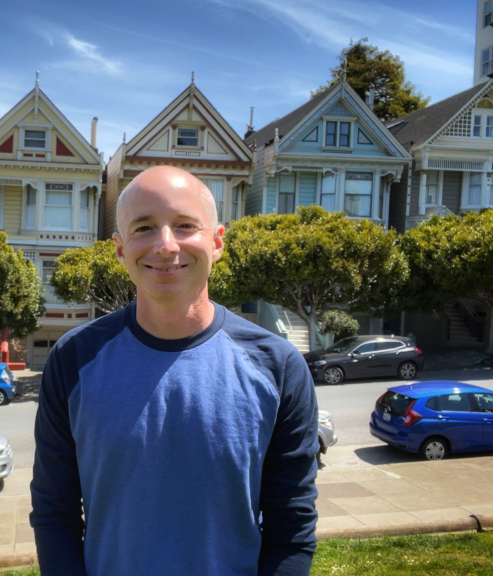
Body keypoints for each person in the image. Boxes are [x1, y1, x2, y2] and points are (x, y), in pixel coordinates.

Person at [30, 166, 318, 576]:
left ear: (217, 242)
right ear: (119, 248)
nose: (166, 246)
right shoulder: (73, 359)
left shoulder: (279, 367)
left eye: (185, 226)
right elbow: (54, 512)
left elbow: (291, 528)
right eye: (144, 228)